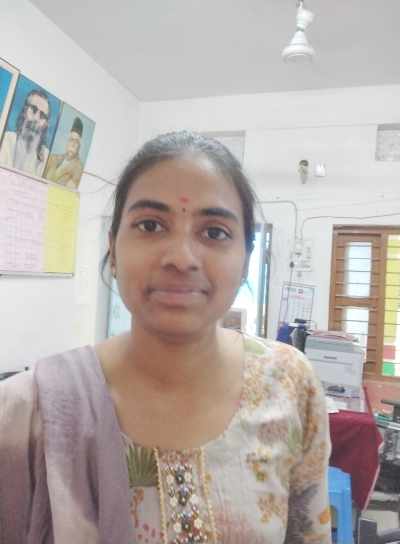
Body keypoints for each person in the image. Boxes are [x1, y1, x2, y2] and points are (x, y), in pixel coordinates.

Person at [0, 131, 332, 543]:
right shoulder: (26, 413)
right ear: (113, 249)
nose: (181, 258)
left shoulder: (289, 384)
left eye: (214, 233)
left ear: (246, 258)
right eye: (151, 225)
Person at [0, 89, 51, 177]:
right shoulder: (5, 140)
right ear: (24, 111)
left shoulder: (46, 157)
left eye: (42, 115)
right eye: (33, 109)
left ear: (46, 124)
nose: (36, 118)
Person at [44, 116, 84, 189]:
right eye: (71, 140)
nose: (73, 144)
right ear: (67, 142)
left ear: (79, 146)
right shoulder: (53, 158)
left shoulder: (78, 168)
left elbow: (69, 190)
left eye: (76, 142)